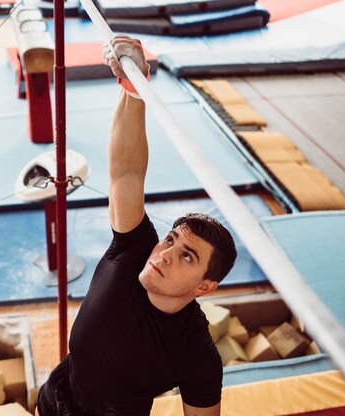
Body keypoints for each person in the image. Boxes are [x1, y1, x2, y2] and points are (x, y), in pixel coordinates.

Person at [35, 35, 237, 416]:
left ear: (205, 286)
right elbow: (126, 173)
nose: (165, 255)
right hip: (54, 397)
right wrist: (133, 87)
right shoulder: (134, 251)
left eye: (187, 257)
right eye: (171, 240)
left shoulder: (196, 354)